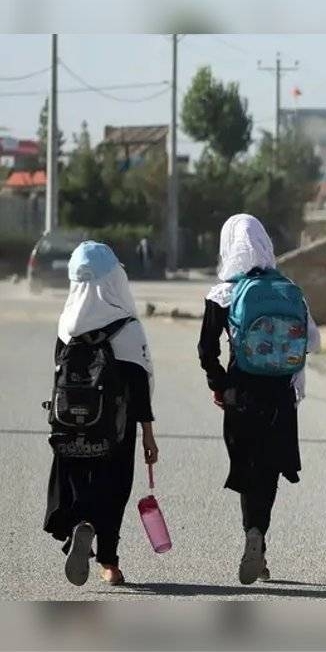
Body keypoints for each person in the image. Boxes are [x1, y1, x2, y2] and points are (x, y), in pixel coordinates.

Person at [198, 214, 320, 585]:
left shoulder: (223, 292)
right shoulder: (287, 287)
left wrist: (218, 383)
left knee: (248, 470)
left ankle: (253, 536)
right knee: (267, 474)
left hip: (242, 395)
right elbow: (312, 342)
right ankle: (259, 537)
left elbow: (206, 349)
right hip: (280, 395)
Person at [43, 241, 158, 587]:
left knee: (76, 478)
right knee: (113, 489)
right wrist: (148, 437)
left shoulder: (68, 323)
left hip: (70, 424)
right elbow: (139, 390)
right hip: (116, 430)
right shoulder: (126, 328)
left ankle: (79, 525)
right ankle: (109, 563)